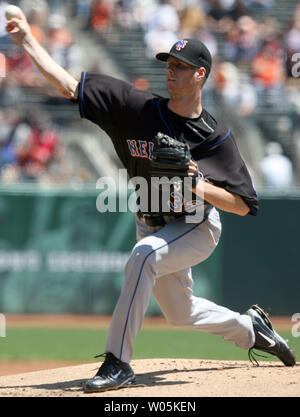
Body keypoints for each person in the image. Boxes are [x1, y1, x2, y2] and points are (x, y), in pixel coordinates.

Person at [6, 10, 296, 393]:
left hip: (195, 225)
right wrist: (27, 39)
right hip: (151, 220)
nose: (171, 70)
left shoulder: (215, 136)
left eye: (181, 66)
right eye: (169, 64)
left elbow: (243, 204)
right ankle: (251, 329)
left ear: (201, 75)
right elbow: (67, 86)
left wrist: (198, 184)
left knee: (143, 255)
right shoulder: (135, 108)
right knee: (181, 312)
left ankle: (118, 362)